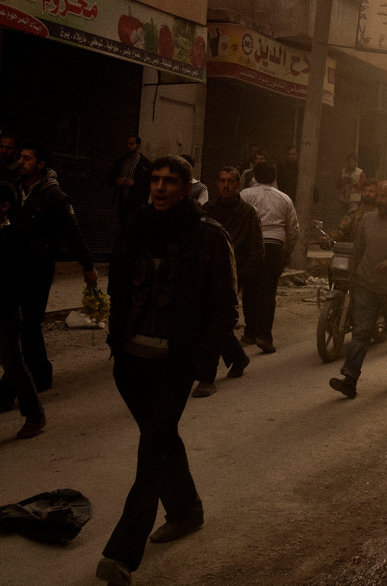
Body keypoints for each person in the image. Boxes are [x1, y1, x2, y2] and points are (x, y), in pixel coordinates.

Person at [96, 155, 238, 586]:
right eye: (154, 180)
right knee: (160, 440)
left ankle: (122, 554)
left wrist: (203, 363)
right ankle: (186, 510)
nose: (159, 188)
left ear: (187, 186)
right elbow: (119, 286)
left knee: (151, 450)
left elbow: (225, 306)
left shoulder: (209, 235)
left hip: (175, 364)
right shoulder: (135, 226)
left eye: (169, 182)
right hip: (130, 361)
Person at [0, 143, 98, 404]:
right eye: (20, 157)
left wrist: (87, 266)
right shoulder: (15, 187)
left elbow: (72, 232)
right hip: (16, 266)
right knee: (26, 326)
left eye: (27, 158)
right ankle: (41, 372)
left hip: (39, 267)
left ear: (40, 165)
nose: (21, 162)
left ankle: (13, 387)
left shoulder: (53, 196)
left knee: (29, 324)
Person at [328, 181, 387, 398]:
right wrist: (353, 280)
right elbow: (358, 250)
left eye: (384, 197)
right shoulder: (367, 219)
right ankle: (350, 378)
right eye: (378, 196)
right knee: (361, 331)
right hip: (367, 283)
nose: (379, 200)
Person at [198, 167, 263, 396]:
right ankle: (238, 357)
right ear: (217, 183)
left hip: (233, 275)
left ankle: (207, 377)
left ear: (238, 185)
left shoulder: (248, 213)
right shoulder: (207, 210)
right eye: (222, 181)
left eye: (231, 181)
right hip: (207, 275)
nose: (226, 185)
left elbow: (257, 250)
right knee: (212, 320)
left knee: (216, 322)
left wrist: (243, 275)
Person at [0, 182, 46, 438]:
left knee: (13, 364)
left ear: (5, 207)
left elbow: (24, 279)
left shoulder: (14, 238)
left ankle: (35, 415)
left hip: (5, 312)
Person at [239, 161, 299, 354]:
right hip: (275, 247)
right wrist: (287, 252)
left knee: (249, 289)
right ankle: (264, 335)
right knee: (268, 292)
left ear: (254, 176)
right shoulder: (285, 199)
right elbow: (293, 230)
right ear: (275, 177)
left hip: (251, 247)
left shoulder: (245, 195)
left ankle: (250, 332)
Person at [107, 136, 152, 222]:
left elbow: (148, 184)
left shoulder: (145, 164)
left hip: (136, 204)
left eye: (131, 144)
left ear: (138, 146)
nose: (128, 146)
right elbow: (110, 180)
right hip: (121, 202)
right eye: (127, 144)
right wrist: (117, 181)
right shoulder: (120, 162)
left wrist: (135, 183)